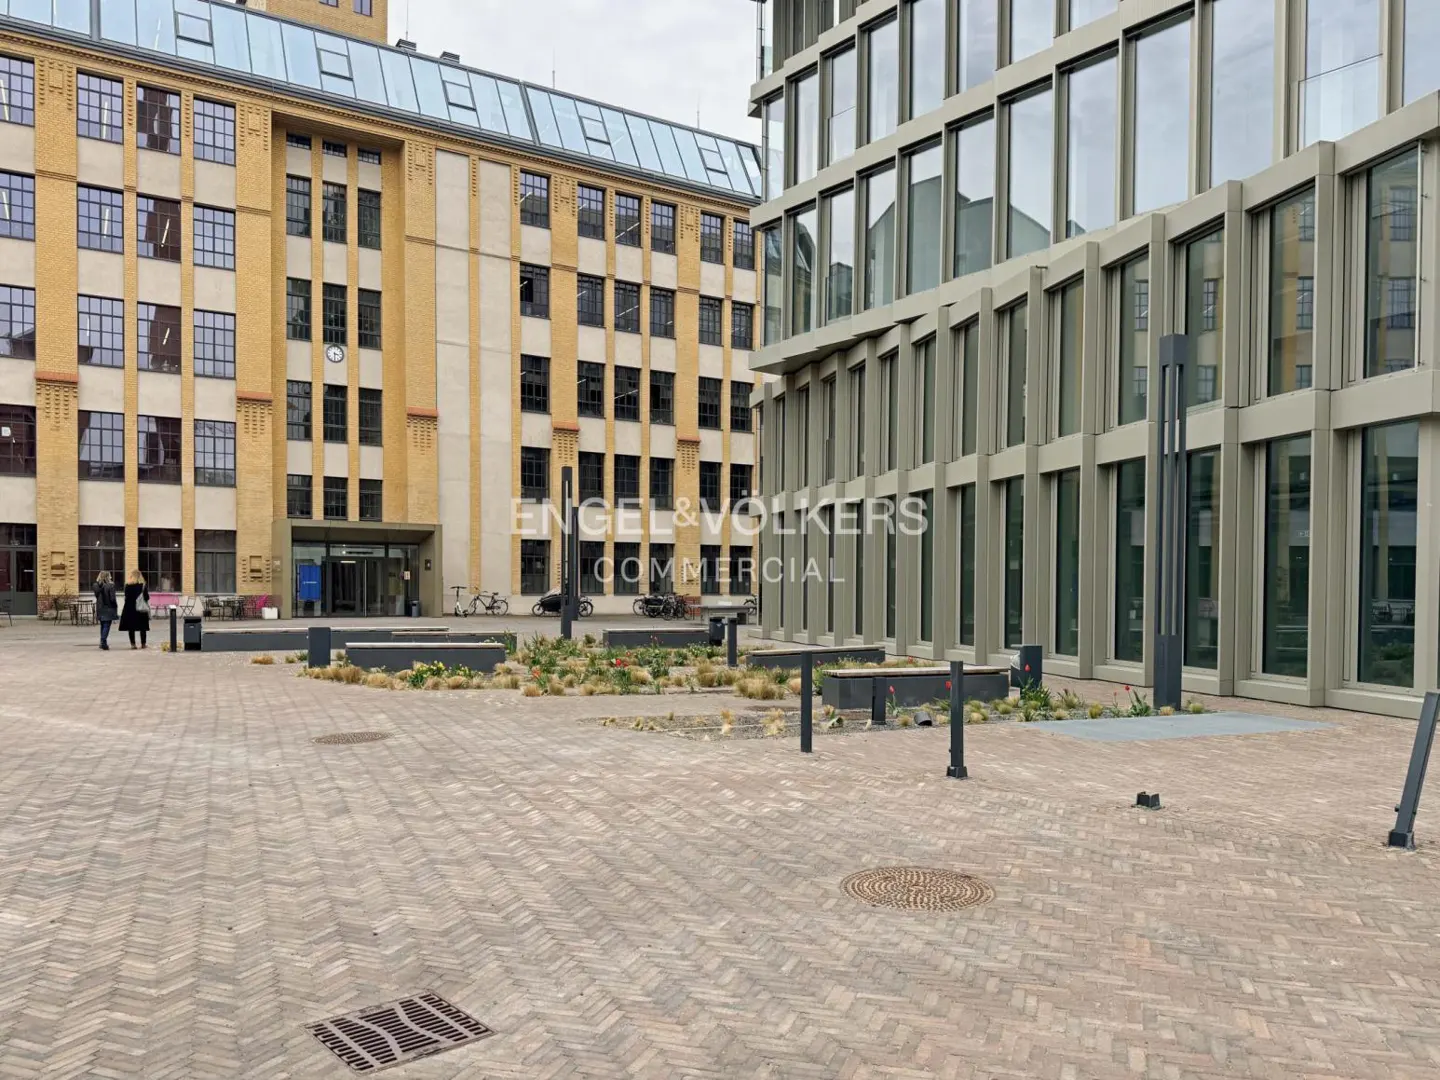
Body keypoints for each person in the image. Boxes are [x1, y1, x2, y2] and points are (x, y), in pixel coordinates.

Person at [120, 570, 151, 650]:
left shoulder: (127, 585)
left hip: (129, 608)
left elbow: (126, 597)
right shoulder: (143, 586)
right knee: (142, 627)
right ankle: (143, 644)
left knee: (131, 627)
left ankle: (133, 644)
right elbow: (147, 597)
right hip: (140, 608)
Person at [93, 570, 117, 650]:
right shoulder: (111, 585)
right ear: (108, 576)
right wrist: (115, 607)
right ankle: (103, 641)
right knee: (107, 625)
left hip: (100, 607)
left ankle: (103, 642)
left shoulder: (95, 585)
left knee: (103, 625)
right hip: (108, 607)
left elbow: (97, 595)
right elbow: (112, 598)